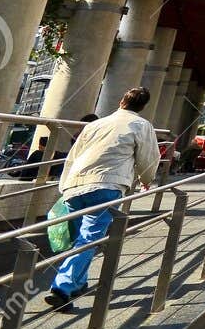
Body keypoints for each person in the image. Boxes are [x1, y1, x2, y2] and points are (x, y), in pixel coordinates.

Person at [44, 87, 160, 311]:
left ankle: (78, 282)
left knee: (80, 238)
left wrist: (64, 185)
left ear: (120, 101)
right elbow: (148, 157)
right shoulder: (141, 125)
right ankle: (63, 287)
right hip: (107, 185)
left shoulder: (94, 125)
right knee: (90, 238)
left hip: (75, 185)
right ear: (143, 107)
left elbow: (73, 155)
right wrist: (147, 178)